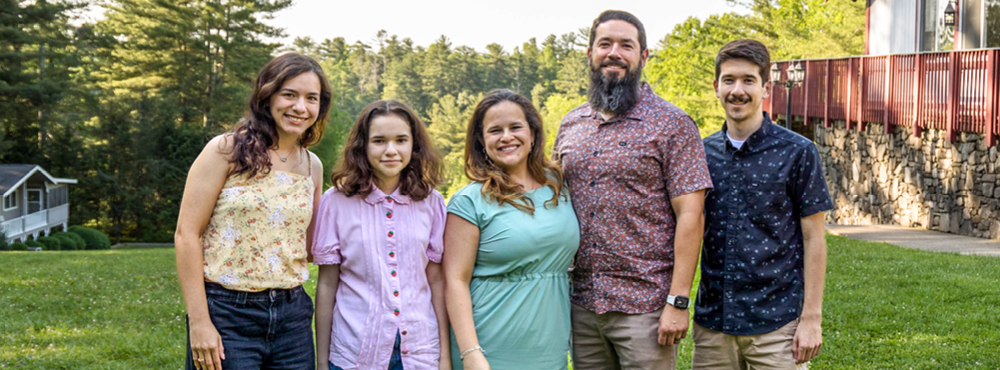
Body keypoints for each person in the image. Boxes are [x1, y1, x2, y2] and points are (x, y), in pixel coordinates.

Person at [552, 10, 714, 370]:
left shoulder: (673, 124)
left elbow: (692, 215)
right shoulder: (571, 123)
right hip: (582, 304)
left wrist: (678, 301)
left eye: (626, 45)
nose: (615, 52)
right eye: (605, 43)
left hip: (646, 307)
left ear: (643, 56)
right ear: (590, 53)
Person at [175, 52, 330, 370]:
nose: (300, 107)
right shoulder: (225, 150)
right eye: (289, 94)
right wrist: (200, 322)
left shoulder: (312, 166)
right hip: (227, 313)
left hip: (293, 317)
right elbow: (187, 234)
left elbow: (311, 246)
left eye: (311, 98)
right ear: (267, 96)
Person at [693, 39, 832, 370]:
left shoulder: (798, 152)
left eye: (748, 80)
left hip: (777, 324)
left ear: (766, 87)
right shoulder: (700, 153)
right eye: (728, 80)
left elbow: (815, 237)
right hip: (713, 324)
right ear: (716, 87)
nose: (737, 90)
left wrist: (811, 318)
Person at [443, 89, 580, 370]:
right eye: (495, 130)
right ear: (481, 141)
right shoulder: (470, 201)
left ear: (532, 133)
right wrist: (471, 353)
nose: (507, 137)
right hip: (489, 347)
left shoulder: (559, 184)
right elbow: (454, 280)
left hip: (549, 346)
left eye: (515, 127)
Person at [312, 100, 450, 370]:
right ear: (362, 146)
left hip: (420, 354)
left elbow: (436, 280)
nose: (391, 150)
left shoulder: (432, 202)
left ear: (414, 145)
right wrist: (321, 360)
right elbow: (327, 284)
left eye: (401, 140)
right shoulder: (336, 201)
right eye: (379, 141)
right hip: (355, 353)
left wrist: (443, 356)